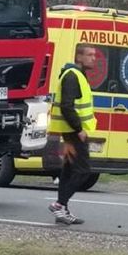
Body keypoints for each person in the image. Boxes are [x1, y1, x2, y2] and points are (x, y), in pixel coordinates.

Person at [47, 45, 99, 225]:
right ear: (79, 57)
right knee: (83, 171)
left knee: (68, 171)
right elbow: (67, 106)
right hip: (74, 133)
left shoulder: (77, 74)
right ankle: (60, 204)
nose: (94, 58)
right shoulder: (72, 76)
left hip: (71, 132)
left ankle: (63, 211)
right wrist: (79, 129)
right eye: (89, 55)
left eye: (94, 55)